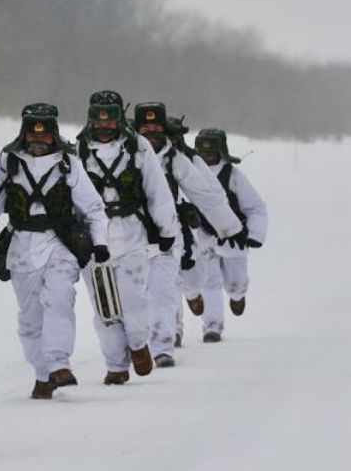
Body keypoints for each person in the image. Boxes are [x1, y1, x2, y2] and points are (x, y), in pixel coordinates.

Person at [0, 104, 109, 399]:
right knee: (30, 318)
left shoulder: (69, 163)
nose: (38, 141)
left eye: (44, 135)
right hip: (21, 247)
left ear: (53, 134)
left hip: (60, 245)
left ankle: (59, 363)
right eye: (33, 133)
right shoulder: (9, 162)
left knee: (59, 297)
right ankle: (43, 374)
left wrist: (100, 243)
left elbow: (93, 207)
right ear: (25, 132)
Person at [76, 90, 179, 384]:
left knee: (133, 300)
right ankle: (116, 365)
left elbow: (157, 191)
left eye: (110, 121)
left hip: (132, 232)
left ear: (120, 119)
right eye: (99, 121)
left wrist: (167, 230)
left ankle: (137, 343)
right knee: (104, 306)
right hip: (94, 237)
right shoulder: (77, 152)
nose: (104, 127)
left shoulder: (139, 147)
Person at [133, 103, 244, 367]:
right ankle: (161, 347)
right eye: (145, 127)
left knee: (190, 281)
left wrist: (228, 227)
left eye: (156, 127)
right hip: (133, 234)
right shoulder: (125, 155)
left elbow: (209, 194)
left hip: (172, 230)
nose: (151, 132)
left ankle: (192, 295)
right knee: (151, 292)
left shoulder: (179, 159)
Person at [192, 128, 268, 342]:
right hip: (204, 238)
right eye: (202, 155)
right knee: (209, 282)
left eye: (211, 155)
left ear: (221, 153)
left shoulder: (233, 176)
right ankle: (212, 327)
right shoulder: (191, 175)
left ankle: (237, 296)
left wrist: (255, 234)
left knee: (236, 281)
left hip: (234, 238)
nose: (207, 159)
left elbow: (255, 208)